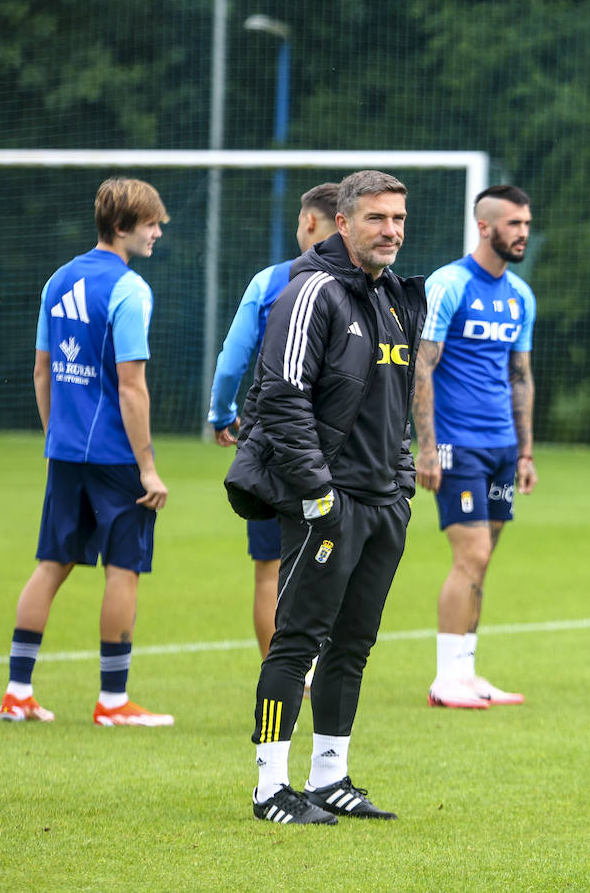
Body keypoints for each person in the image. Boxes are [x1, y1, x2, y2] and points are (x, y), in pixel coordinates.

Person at [224, 170, 425, 824]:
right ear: (343, 223)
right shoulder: (311, 290)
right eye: (376, 218)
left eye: (398, 218)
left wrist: (400, 488)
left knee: (354, 643)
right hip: (327, 502)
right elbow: (281, 400)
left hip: (383, 501)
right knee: (297, 641)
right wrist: (317, 496)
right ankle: (270, 788)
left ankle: (330, 777)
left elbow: (392, 408)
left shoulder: (394, 296)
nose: (391, 230)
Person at [0, 177, 174, 727]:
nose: (158, 232)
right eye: (151, 223)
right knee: (123, 570)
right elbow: (131, 387)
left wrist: (57, 438)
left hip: (68, 453)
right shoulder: (130, 290)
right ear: (122, 227)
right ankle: (114, 703)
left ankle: (17, 693)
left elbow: (42, 369)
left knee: (51, 565)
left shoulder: (58, 278)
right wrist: (148, 467)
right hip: (116, 459)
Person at [415, 184, 537, 709]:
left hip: (502, 447)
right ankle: (445, 680)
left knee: (483, 562)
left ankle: (466, 672)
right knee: (473, 554)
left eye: (527, 224)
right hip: (456, 443)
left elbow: (521, 376)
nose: (523, 233)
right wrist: (425, 445)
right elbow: (422, 364)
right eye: (513, 224)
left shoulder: (521, 295)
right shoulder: (449, 284)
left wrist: (526, 452)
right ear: (484, 226)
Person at [209, 182, 339, 659]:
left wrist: (222, 415)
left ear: (309, 221)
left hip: (276, 443)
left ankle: (281, 671)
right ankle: (325, 668)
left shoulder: (271, 281)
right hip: (339, 446)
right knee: (334, 559)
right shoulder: (364, 284)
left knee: (270, 567)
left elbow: (231, 362)